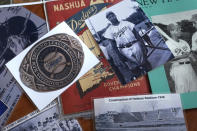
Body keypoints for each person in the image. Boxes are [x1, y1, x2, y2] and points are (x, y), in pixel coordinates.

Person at [103, 11, 151, 76]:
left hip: (135, 44)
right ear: (108, 19)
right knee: (134, 68)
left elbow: (136, 34)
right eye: (109, 17)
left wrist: (143, 44)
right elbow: (113, 45)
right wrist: (120, 56)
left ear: (115, 15)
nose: (112, 17)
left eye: (112, 15)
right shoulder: (109, 30)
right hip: (123, 49)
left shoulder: (125, 23)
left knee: (144, 62)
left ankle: (149, 72)